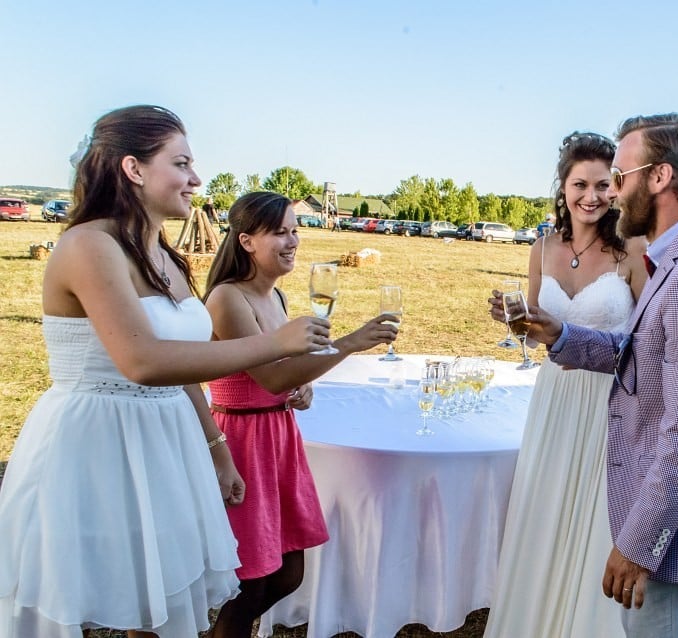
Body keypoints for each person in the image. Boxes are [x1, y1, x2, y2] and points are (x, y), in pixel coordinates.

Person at [0, 105, 330, 638]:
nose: (196, 179)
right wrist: (273, 343)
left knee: (157, 598)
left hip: (166, 437)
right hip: (96, 440)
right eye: (181, 163)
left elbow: (183, 368)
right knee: (82, 597)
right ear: (134, 169)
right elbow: (144, 361)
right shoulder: (89, 245)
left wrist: (216, 448)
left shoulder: (167, 257)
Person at [500, 113, 678, 638]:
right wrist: (562, 336)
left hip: (674, 540)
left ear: (659, 177)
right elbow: (640, 353)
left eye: (619, 177)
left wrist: (637, 546)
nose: (611, 193)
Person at [203, 191, 398, 637]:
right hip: (242, 441)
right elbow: (270, 378)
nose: (292, 241)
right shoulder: (228, 299)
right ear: (247, 241)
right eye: (280, 232)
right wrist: (349, 343)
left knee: (289, 573)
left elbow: (283, 376)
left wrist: (302, 385)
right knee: (251, 582)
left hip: (278, 435)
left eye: (295, 230)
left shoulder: (280, 299)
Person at [483, 132, 647, 638]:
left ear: (617, 188)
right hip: (553, 399)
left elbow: (646, 345)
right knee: (544, 509)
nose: (592, 197)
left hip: (608, 401)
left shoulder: (633, 251)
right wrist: (514, 321)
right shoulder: (542, 248)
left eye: (604, 185)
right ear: (563, 187)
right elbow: (538, 328)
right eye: (581, 184)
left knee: (596, 518)